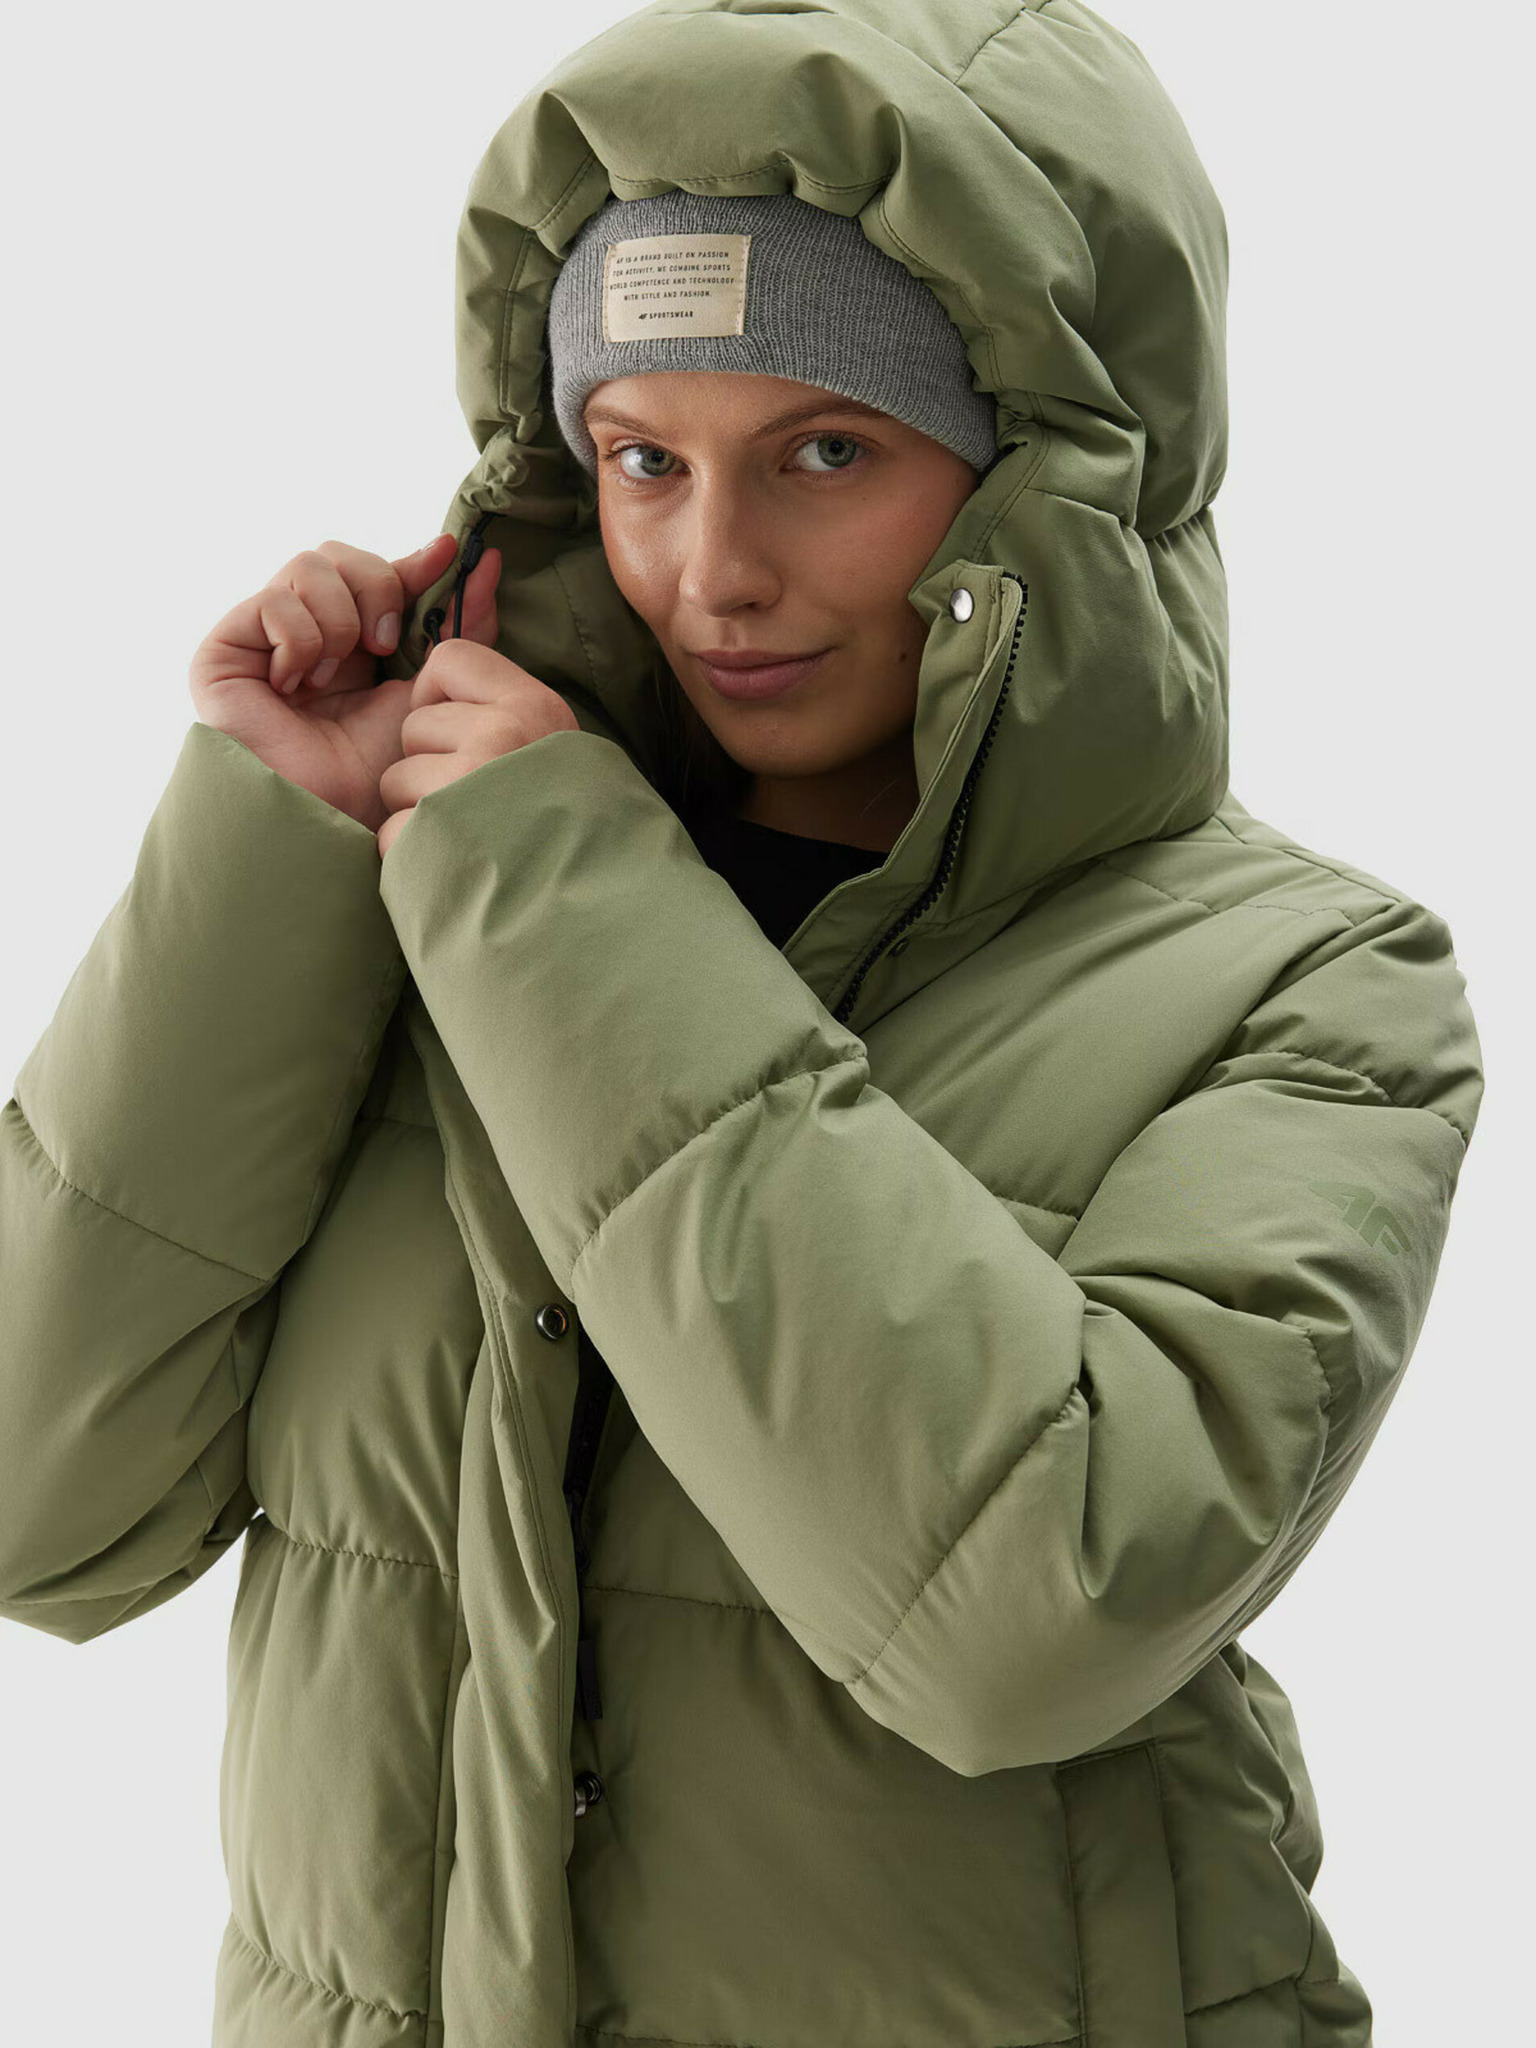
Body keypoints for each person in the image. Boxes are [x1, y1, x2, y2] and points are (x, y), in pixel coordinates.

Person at [0, 3, 1484, 2045]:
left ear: (1049, 476)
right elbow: (43, 1518)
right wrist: (275, 867)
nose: (712, 571)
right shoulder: (425, 908)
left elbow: (1034, 1614)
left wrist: (564, 912)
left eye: (826, 454)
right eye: (641, 459)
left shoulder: (1310, 985)